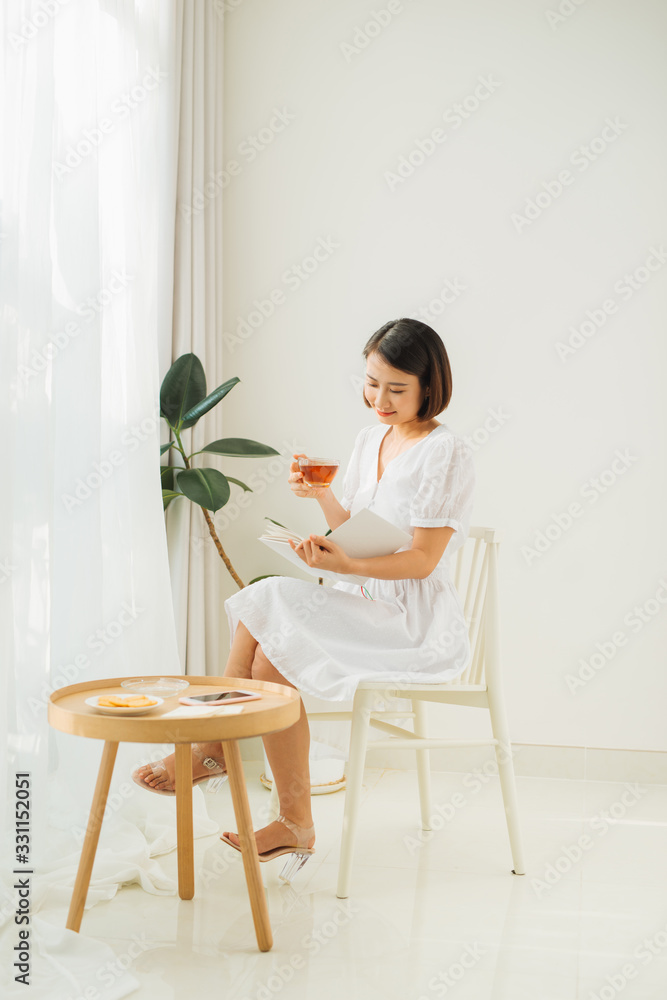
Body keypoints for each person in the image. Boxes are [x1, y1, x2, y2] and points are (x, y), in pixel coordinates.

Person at [132, 318, 475, 877]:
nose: (379, 400)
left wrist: (346, 562)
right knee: (269, 635)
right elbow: (358, 528)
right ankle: (285, 815)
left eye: (396, 389)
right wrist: (322, 503)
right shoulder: (372, 439)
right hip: (362, 594)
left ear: (429, 386)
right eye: (371, 383)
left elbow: (422, 559)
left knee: (270, 624)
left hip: (410, 619)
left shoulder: (446, 453)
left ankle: (223, 755)